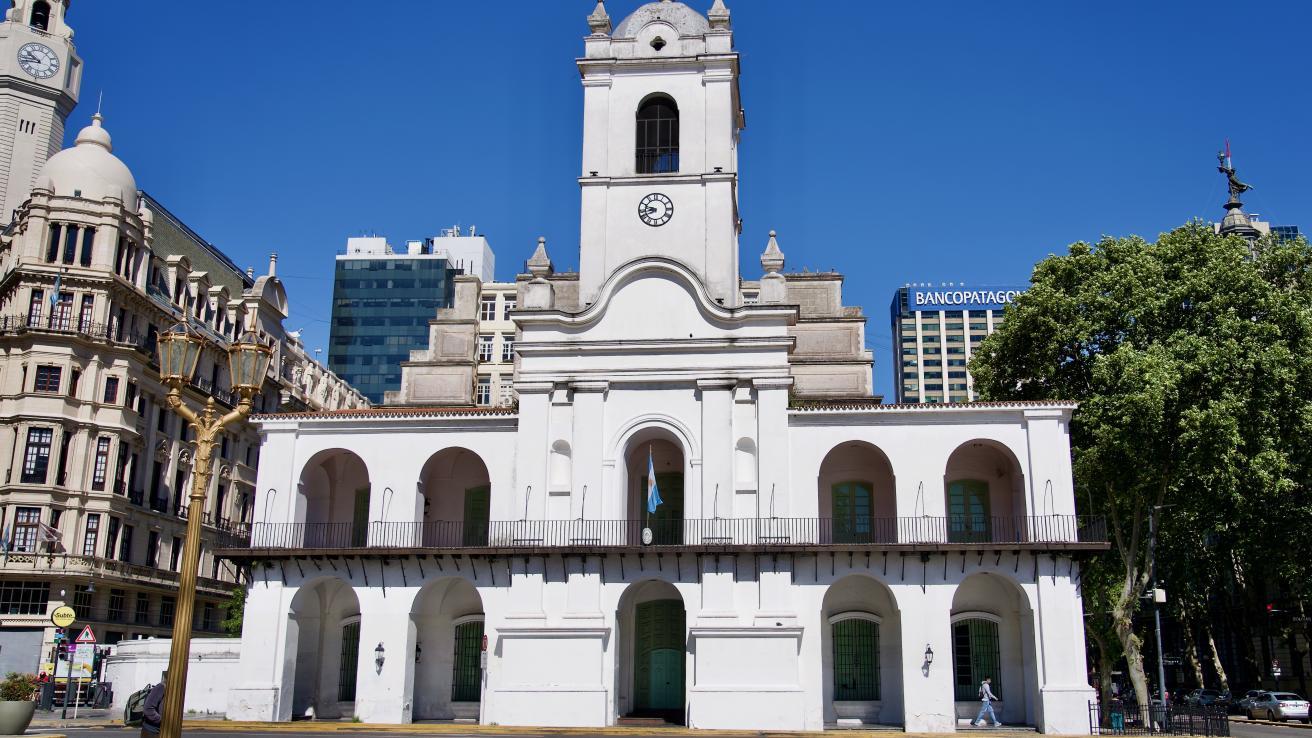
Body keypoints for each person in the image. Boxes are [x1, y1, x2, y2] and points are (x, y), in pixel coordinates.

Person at [141, 672, 166, 737]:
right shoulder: (161, 687)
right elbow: (148, 709)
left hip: (161, 730)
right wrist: (161, 720)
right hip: (152, 731)